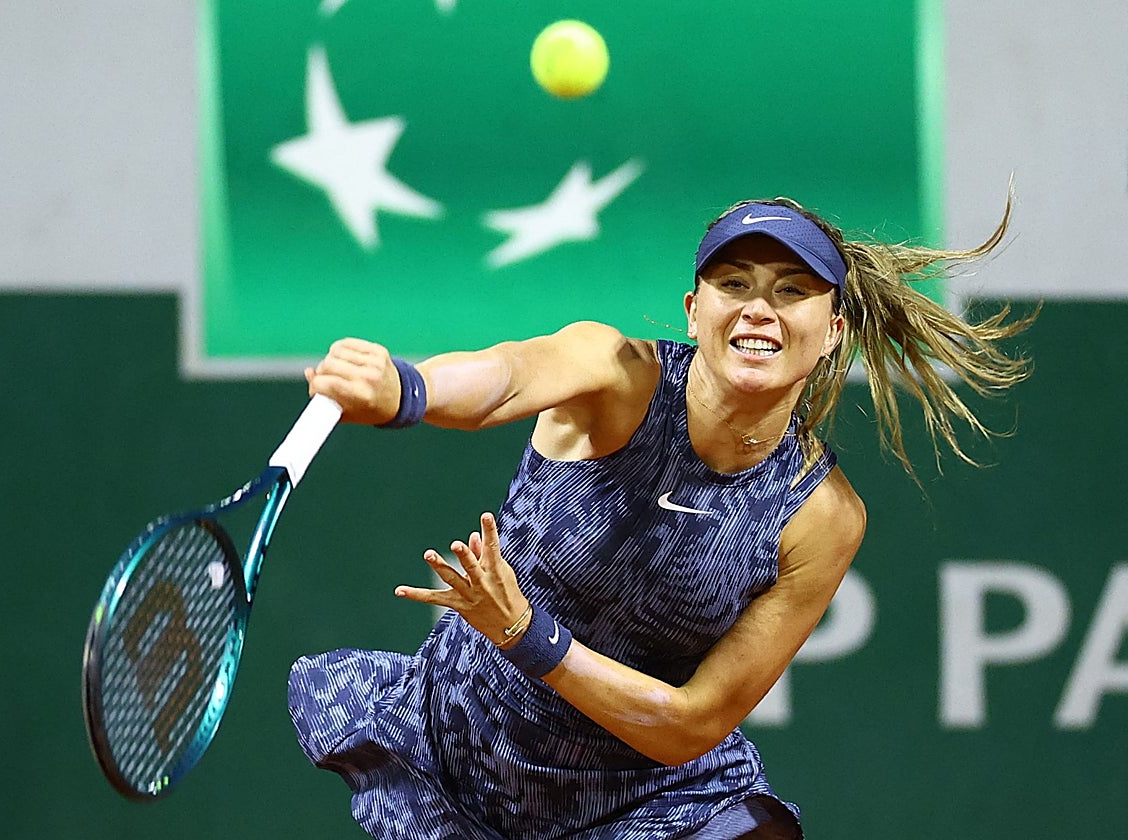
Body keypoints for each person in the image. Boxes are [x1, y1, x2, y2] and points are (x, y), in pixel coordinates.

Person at [288, 196, 1034, 839]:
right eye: (733, 283)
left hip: (651, 804)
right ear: (693, 310)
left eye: (792, 290)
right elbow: (506, 377)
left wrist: (527, 635)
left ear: (834, 328)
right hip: (460, 752)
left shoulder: (822, 516)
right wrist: (406, 388)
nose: (758, 308)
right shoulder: (615, 376)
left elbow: (692, 725)